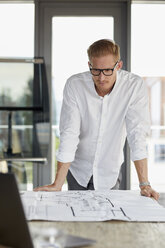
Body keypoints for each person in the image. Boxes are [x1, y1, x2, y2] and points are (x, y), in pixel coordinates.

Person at [35, 39, 159, 200]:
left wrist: (144, 184)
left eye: (107, 70)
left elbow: (137, 134)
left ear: (118, 66)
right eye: (96, 70)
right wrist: (57, 183)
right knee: (77, 220)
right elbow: (69, 134)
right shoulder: (75, 85)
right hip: (78, 171)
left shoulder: (133, 86)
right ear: (89, 66)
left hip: (110, 172)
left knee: (109, 221)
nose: (101, 78)